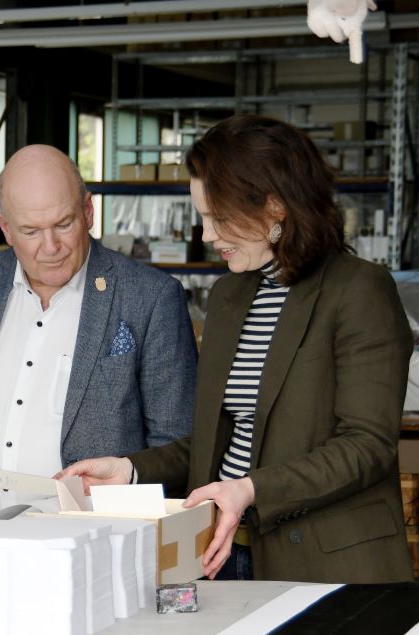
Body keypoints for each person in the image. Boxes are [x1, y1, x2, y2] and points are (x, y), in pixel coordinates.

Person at [64, 115, 414, 584]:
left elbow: (367, 446)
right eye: (202, 217)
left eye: (219, 218)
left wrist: (250, 490)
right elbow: (212, 443)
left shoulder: (358, 290)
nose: (207, 235)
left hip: (325, 563)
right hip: (225, 554)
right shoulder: (231, 296)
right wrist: (129, 469)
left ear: (275, 208)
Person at [0, 144, 197, 559]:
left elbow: (178, 447)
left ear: (88, 212)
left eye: (64, 224)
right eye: (30, 231)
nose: (51, 246)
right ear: (5, 229)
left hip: (88, 560)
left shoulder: (149, 298)